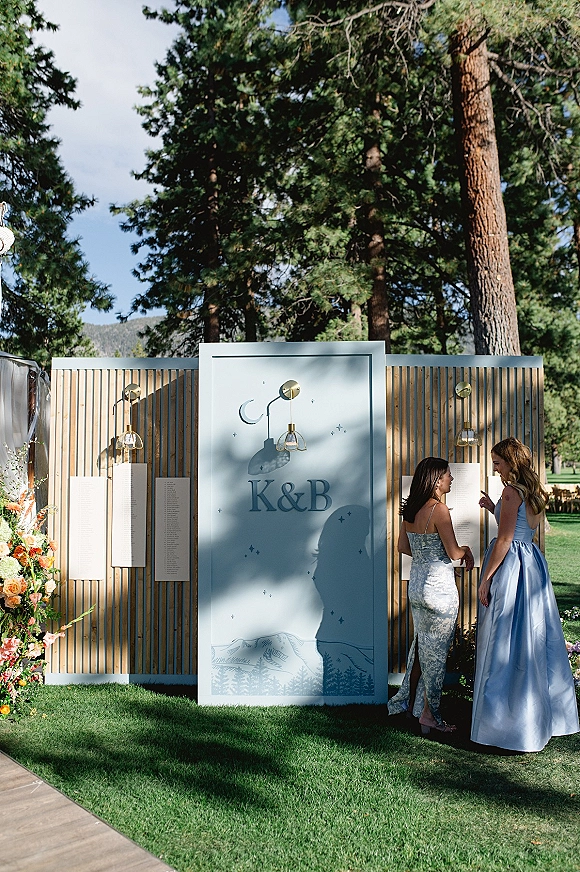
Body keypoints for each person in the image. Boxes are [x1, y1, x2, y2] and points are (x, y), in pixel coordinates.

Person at [471, 437, 579, 752]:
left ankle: (506, 723)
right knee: (533, 637)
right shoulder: (531, 492)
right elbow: (522, 528)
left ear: (511, 463)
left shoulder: (510, 492)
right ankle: (539, 716)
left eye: (497, 462)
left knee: (505, 639)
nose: (495, 468)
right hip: (531, 564)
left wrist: (487, 577)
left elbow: (504, 540)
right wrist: (494, 508)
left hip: (511, 567)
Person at [388, 457, 474, 734]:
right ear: (437, 480)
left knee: (421, 647)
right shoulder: (440, 510)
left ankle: (407, 704)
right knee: (436, 655)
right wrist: (467, 550)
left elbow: (403, 545)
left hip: (417, 587)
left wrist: (430, 560)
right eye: (448, 475)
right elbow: (454, 553)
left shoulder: (411, 509)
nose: (451, 479)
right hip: (440, 592)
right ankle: (430, 715)